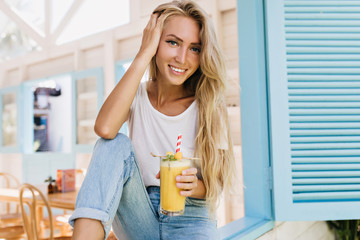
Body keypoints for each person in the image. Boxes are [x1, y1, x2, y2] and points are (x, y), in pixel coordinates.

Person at [69, 0, 236, 239]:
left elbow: (217, 185)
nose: (182, 57)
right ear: (154, 41)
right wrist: (143, 54)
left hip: (190, 218)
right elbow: (105, 129)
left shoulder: (210, 106)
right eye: (172, 42)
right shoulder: (136, 95)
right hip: (139, 211)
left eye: (194, 48)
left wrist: (193, 185)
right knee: (113, 144)